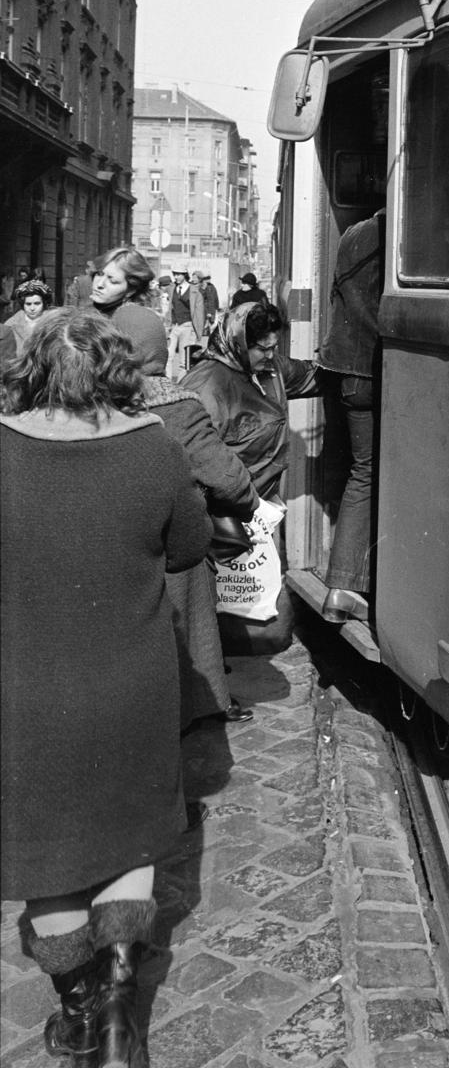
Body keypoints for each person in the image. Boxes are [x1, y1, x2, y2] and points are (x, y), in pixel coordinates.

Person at [1, 309, 210, 1068]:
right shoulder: (151, 449)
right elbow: (188, 547)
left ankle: (81, 1012)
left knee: (49, 864)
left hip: (24, 690)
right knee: (127, 837)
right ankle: (124, 1008)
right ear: (116, 369)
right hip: (132, 682)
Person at [120, 311, 260, 728]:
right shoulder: (176, 405)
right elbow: (228, 481)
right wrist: (247, 505)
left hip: (104, 544)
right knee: (193, 581)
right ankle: (203, 699)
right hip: (166, 548)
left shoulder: (89, 399)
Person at [181, 302, 323, 653]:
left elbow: (311, 375)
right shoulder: (207, 385)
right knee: (214, 613)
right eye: (263, 348)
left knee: (263, 625)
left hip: (259, 511)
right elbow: (193, 456)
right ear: (239, 343)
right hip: (221, 514)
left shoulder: (270, 369)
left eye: (275, 347)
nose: (270, 355)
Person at [318, 209, 385, 621]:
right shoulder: (406, 234)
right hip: (376, 371)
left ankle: (343, 587)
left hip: (345, 372)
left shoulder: (354, 234)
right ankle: (346, 584)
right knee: (372, 472)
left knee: (363, 471)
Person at [4, 277, 54, 354]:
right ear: (22, 304)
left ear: (43, 304)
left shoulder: (52, 323)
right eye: (28, 304)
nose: (32, 308)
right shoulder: (11, 324)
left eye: (37, 303)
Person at [168, 271, 195, 376]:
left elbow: (198, 310)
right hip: (174, 325)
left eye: (178, 274)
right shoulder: (172, 288)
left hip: (187, 325)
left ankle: (181, 385)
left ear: (184, 275)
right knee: (168, 356)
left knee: (184, 359)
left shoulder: (193, 290)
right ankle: (167, 384)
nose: (176, 277)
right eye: (174, 274)